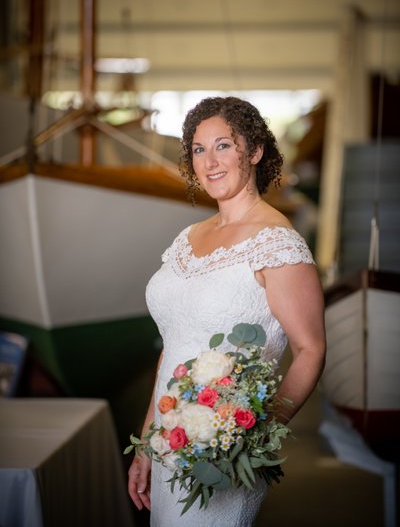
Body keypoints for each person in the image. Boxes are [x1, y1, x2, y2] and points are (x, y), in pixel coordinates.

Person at [128, 96, 326, 526]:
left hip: (225, 450)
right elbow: (173, 346)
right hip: (170, 440)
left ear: (253, 152)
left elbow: (310, 349)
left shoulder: (277, 243)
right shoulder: (188, 237)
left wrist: (256, 433)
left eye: (224, 145)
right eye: (199, 149)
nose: (209, 161)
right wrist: (147, 443)